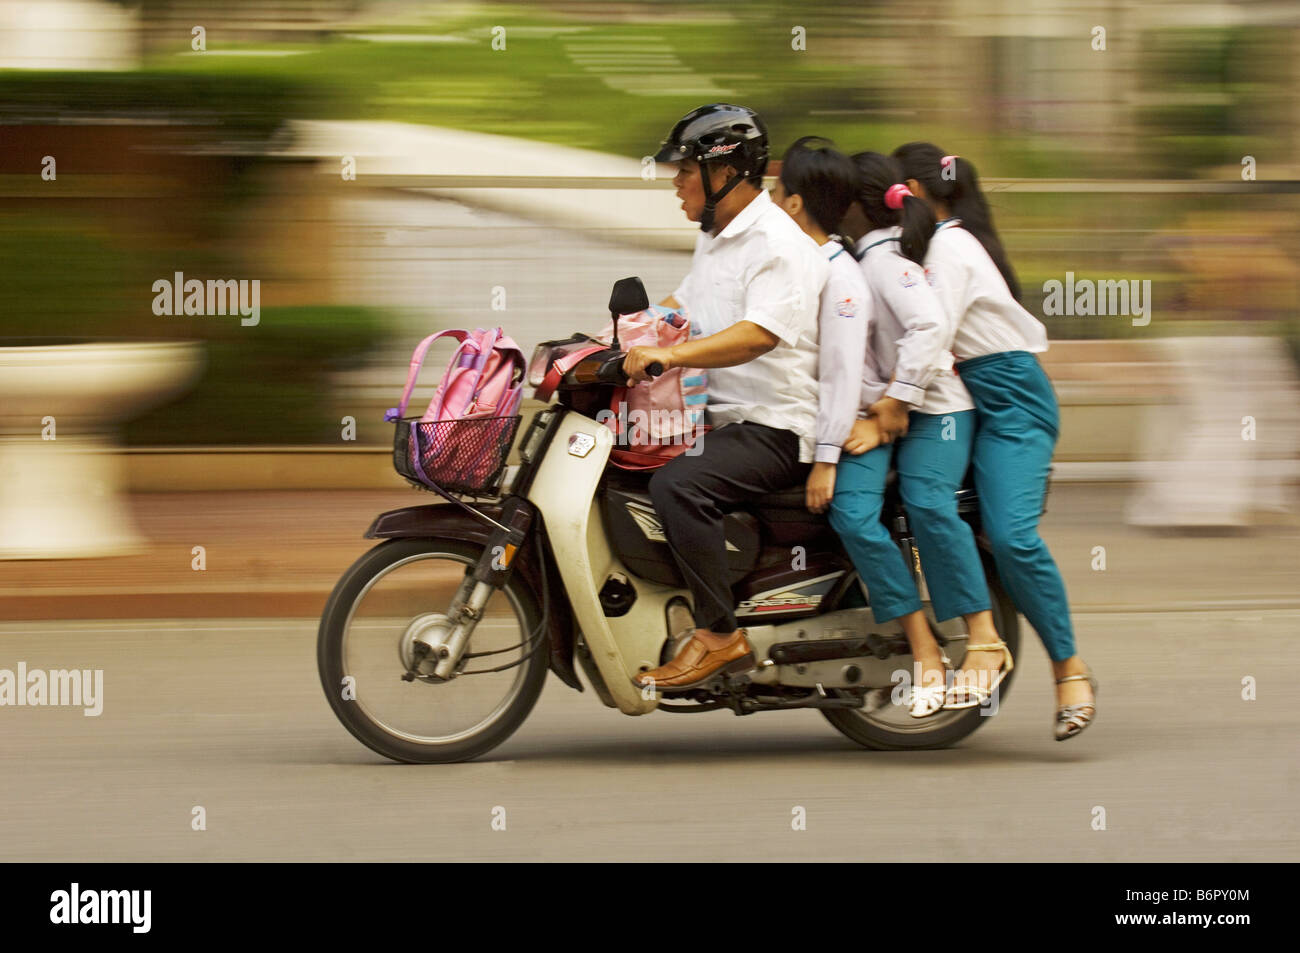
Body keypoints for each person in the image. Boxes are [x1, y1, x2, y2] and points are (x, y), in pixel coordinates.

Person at [892, 142, 1097, 740]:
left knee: (1010, 536)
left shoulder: (950, 246)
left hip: (1010, 401)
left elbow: (930, 336)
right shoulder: (937, 244)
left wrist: (888, 405)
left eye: (893, 194)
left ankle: (1070, 669)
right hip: (966, 397)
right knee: (933, 505)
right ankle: (977, 636)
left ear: (913, 191)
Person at [621, 104, 827, 691]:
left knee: (677, 484)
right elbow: (681, 310)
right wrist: (610, 344)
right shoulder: (716, 237)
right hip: (723, 418)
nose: (676, 184)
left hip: (777, 425)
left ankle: (718, 634)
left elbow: (760, 334)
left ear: (727, 172)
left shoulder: (776, 244)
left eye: (685, 170)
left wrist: (672, 355)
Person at [829, 151, 1000, 717]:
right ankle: (922, 646)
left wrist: (893, 405)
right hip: (884, 415)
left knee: (928, 502)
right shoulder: (853, 257)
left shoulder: (886, 260)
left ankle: (983, 639)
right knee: (851, 512)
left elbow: (929, 327)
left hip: (936, 410)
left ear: (854, 205)